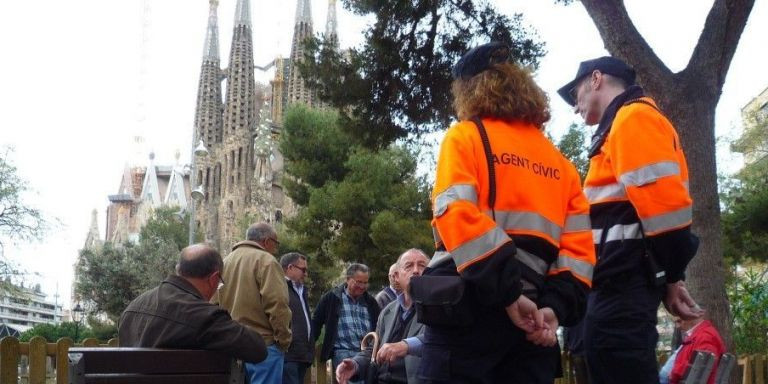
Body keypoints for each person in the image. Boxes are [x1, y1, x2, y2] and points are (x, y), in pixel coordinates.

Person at [420, 42, 596, 383]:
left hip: (467, 314)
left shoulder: (466, 137)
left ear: (468, 89)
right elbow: (579, 255)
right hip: (533, 328)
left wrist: (508, 293)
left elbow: (455, 214)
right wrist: (552, 309)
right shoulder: (561, 165)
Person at [558, 56, 703, 384]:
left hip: (620, 291)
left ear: (596, 79)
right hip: (615, 288)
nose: (574, 105)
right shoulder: (622, 125)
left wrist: (671, 276)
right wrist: (668, 280)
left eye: (575, 92)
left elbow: (667, 217)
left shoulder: (633, 118)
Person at [119, 244, 267, 363]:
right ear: (214, 278)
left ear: (179, 270)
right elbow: (258, 350)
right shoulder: (205, 316)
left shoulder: (132, 308)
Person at [336, 249, 430, 384]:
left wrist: (406, 345)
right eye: (409, 266)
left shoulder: (439, 307)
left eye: (422, 265)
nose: (415, 270)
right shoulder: (387, 311)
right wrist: (355, 365)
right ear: (396, 276)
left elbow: (443, 340)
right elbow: (374, 350)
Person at [214, 223, 292, 384]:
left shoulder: (225, 262)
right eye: (276, 244)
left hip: (231, 344)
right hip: (263, 345)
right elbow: (278, 304)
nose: (275, 249)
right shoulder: (267, 261)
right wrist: (283, 340)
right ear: (266, 241)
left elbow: (214, 302)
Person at [312, 263, 380, 384]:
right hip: (343, 350)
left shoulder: (370, 302)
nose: (362, 286)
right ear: (348, 279)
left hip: (366, 352)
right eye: (358, 282)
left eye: (365, 283)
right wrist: (310, 345)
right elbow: (316, 322)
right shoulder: (331, 298)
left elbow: (379, 326)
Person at [280, 252, 313, 384]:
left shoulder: (301, 290)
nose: (306, 274)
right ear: (290, 268)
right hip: (289, 354)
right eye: (303, 270)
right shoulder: (280, 288)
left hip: (302, 354)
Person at [668, 313, 725, 384]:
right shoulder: (700, 334)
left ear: (691, 316)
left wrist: (673, 374)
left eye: (679, 321)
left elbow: (700, 370)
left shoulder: (705, 337)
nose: (677, 326)